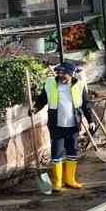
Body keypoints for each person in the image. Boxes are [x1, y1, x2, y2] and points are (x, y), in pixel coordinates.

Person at [34, 61, 87, 193]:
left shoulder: (79, 85)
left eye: (64, 73)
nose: (60, 75)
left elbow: (86, 104)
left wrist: (90, 120)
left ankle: (70, 180)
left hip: (73, 125)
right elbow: (42, 99)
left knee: (72, 152)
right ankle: (57, 182)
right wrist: (35, 108)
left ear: (71, 74)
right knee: (57, 154)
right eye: (59, 72)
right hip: (56, 125)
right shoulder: (51, 83)